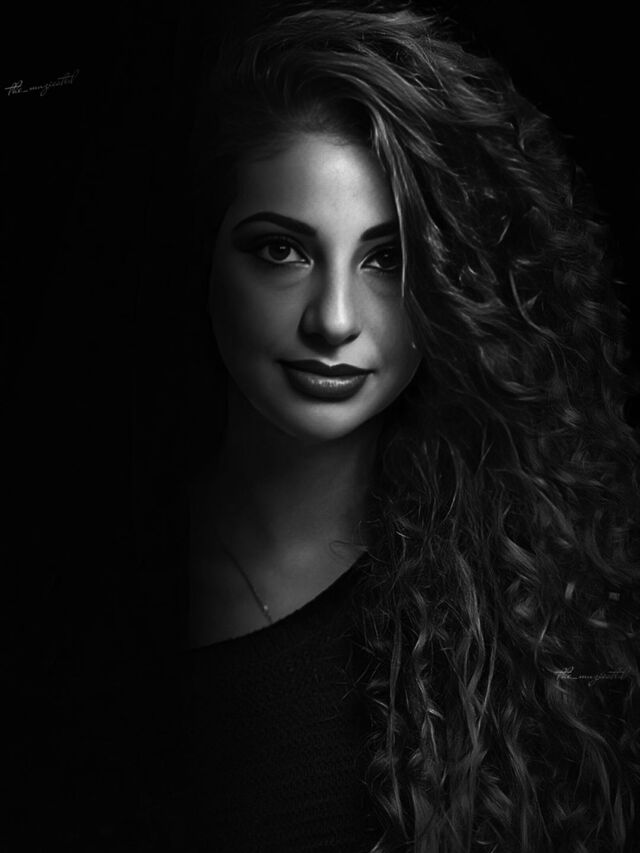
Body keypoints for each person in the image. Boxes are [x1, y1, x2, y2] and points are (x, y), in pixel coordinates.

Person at [133, 3, 640, 851]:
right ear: (205, 257)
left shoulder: (537, 592)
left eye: (386, 258)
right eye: (282, 250)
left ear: (453, 282)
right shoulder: (72, 572)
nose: (333, 319)